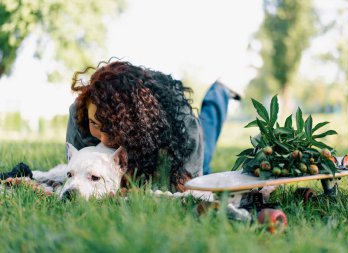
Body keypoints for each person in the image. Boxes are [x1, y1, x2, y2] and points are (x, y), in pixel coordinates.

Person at [66, 60, 241, 192]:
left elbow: (187, 189)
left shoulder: (185, 129)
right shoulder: (79, 112)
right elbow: (78, 172)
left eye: (113, 130)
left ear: (136, 125)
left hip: (172, 133)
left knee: (206, 149)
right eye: (95, 124)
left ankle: (220, 92)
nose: (104, 139)